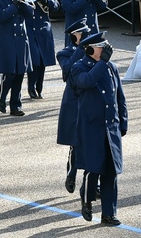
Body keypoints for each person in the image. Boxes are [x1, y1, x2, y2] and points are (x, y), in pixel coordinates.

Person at [70, 30, 128, 226]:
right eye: (102, 48)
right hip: (91, 127)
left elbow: (119, 96)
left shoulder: (110, 67)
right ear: (91, 49)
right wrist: (102, 63)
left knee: (111, 172)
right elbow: (86, 82)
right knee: (93, 168)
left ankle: (109, 213)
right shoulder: (79, 67)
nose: (105, 51)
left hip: (110, 127)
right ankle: (86, 201)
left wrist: (123, 121)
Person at [0, 0, 33, 117]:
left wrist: (23, 1)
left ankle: (16, 106)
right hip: (5, 41)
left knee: (20, 73)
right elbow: (0, 17)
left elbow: (30, 14)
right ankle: (2, 97)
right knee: (10, 74)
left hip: (21, 40)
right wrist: (14, 6)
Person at [56, 19, 89, 194]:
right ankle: (72, 173)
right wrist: (80, 49)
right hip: (74, 102)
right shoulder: (65, 53)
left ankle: (91, 182)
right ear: (74, 36)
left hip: (91, 100)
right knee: (76, 143)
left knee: (92, 143)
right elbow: (67, 70)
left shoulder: (92, 51)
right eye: (82, 33)